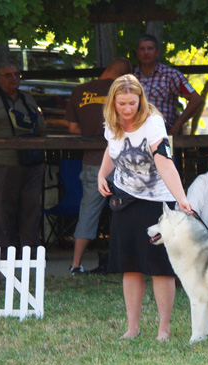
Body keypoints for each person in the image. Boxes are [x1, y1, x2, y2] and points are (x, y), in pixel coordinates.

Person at [97, 74, 192, 341]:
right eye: (121, 104)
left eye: (132, 104)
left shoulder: (153, 122)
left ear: (141, 100)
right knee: (130, 266)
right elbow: (111, 148)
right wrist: (102, 175)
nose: (127, 110)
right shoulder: (112, 122)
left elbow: (164, 161)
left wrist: (181, 198)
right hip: (125, 201)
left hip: (157, 203)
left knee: (160, 267)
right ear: (113, 103)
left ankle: (164, 328)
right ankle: (133, 328)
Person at [65, 57, 131, 275]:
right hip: (124, 163)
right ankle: (133, 263)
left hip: (93, 162)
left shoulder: (80, 91)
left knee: (88, 213)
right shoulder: (125, 93)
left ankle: (75, 265)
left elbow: (73, 128)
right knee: (130, 212)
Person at [0, 62, 46, 252]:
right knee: (4, 210)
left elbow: (41, 128)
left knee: (31, 207)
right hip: (3, 162)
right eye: (8, 75)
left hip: (32, 162)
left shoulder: (27, 99)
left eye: (17, 74)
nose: (14, 78)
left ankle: (30, 251)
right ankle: (7, 252)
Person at [133, 34, 202, 136]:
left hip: (162, 134)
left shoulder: (171, 75)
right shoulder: (130, 77)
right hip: (135, 135)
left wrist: (177, 125)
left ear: (157, 52)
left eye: (150, 49)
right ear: (137, 53)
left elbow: (196, 99)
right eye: (142, 49)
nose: (146, 53)